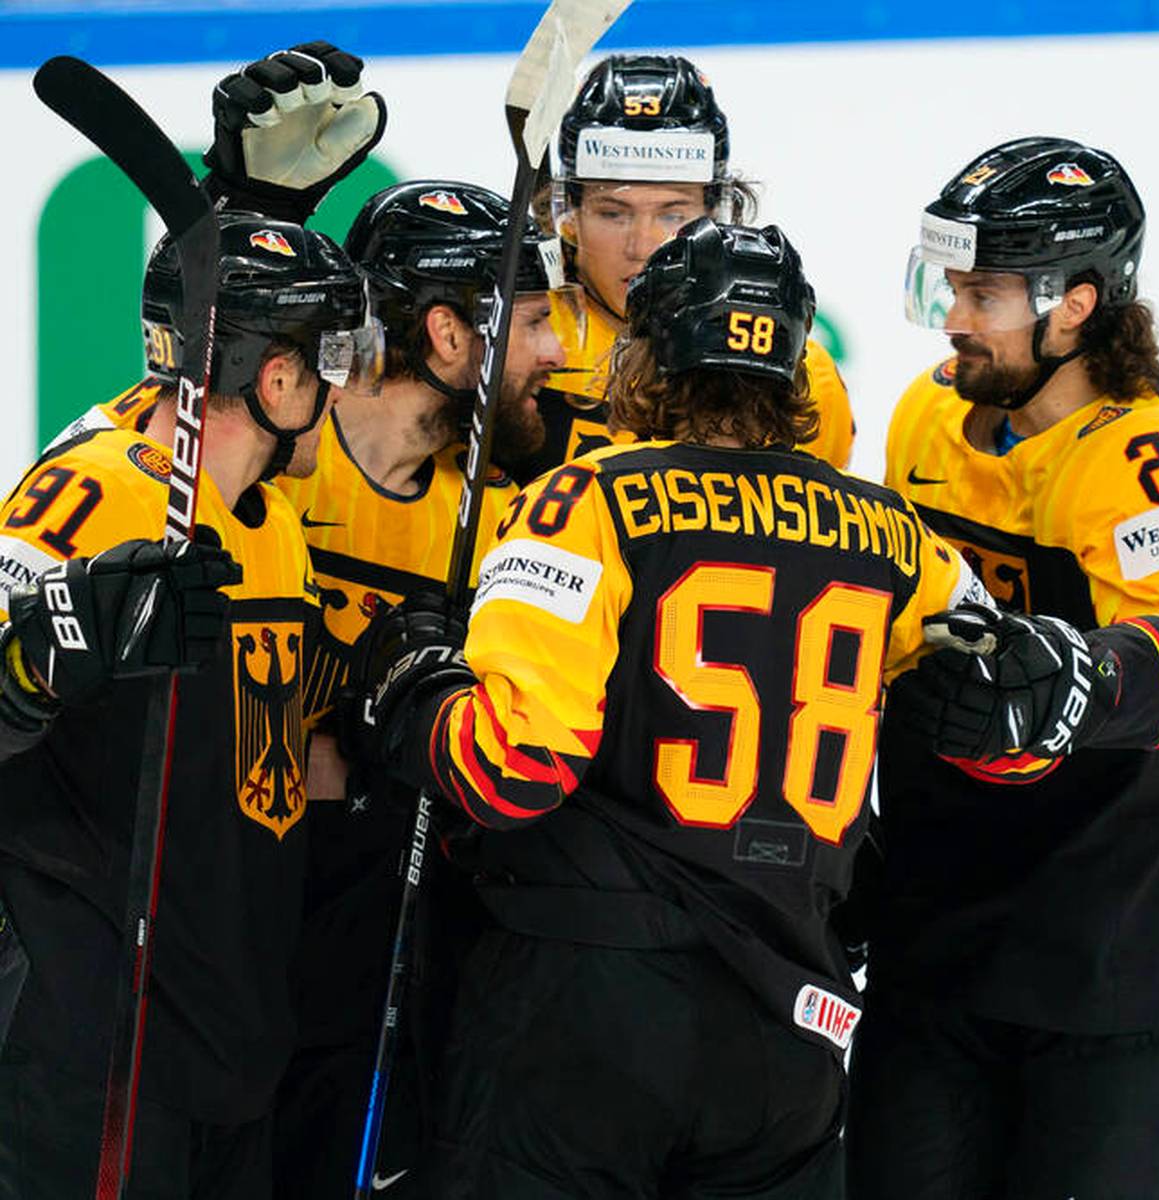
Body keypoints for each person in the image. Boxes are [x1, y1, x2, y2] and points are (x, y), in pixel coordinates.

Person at [341, 216, 992, 1199]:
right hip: (788, 1029)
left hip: (581, 1016)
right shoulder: (897, 538)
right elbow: (1004, 718)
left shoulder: (583, 504)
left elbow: (511, 768)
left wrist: (411, 687)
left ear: (645, 358)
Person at [846, 137, 1159, 1200]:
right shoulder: (928, 414)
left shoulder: (1149, 454)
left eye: (985, 292)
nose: (954, 316)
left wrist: (1089, 677)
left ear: (1079, 303)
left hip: (1111, 974)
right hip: (933, 952)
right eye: (951, 284)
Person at [0, 212, 380, 1198]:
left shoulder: (272, 525)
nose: (343, 385)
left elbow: (259, 745)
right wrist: (57, 642)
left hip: (229, 1029)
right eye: (328, 357)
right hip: (96, 1037)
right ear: (278, 380)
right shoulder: (92, 493)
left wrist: (385, 675)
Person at [269, 179, 580, 1200]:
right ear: (449, 334)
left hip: (402, 923)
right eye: (532, 323)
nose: (558, 353)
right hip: (241, 905)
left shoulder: (507, 512)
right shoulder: (278, 461)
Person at [526, 51, 857, 479]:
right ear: (567, 214)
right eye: (613, 213)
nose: (642, 246)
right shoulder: (517, 344)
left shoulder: (795, 367)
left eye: (672, 214)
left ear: (715, 212)